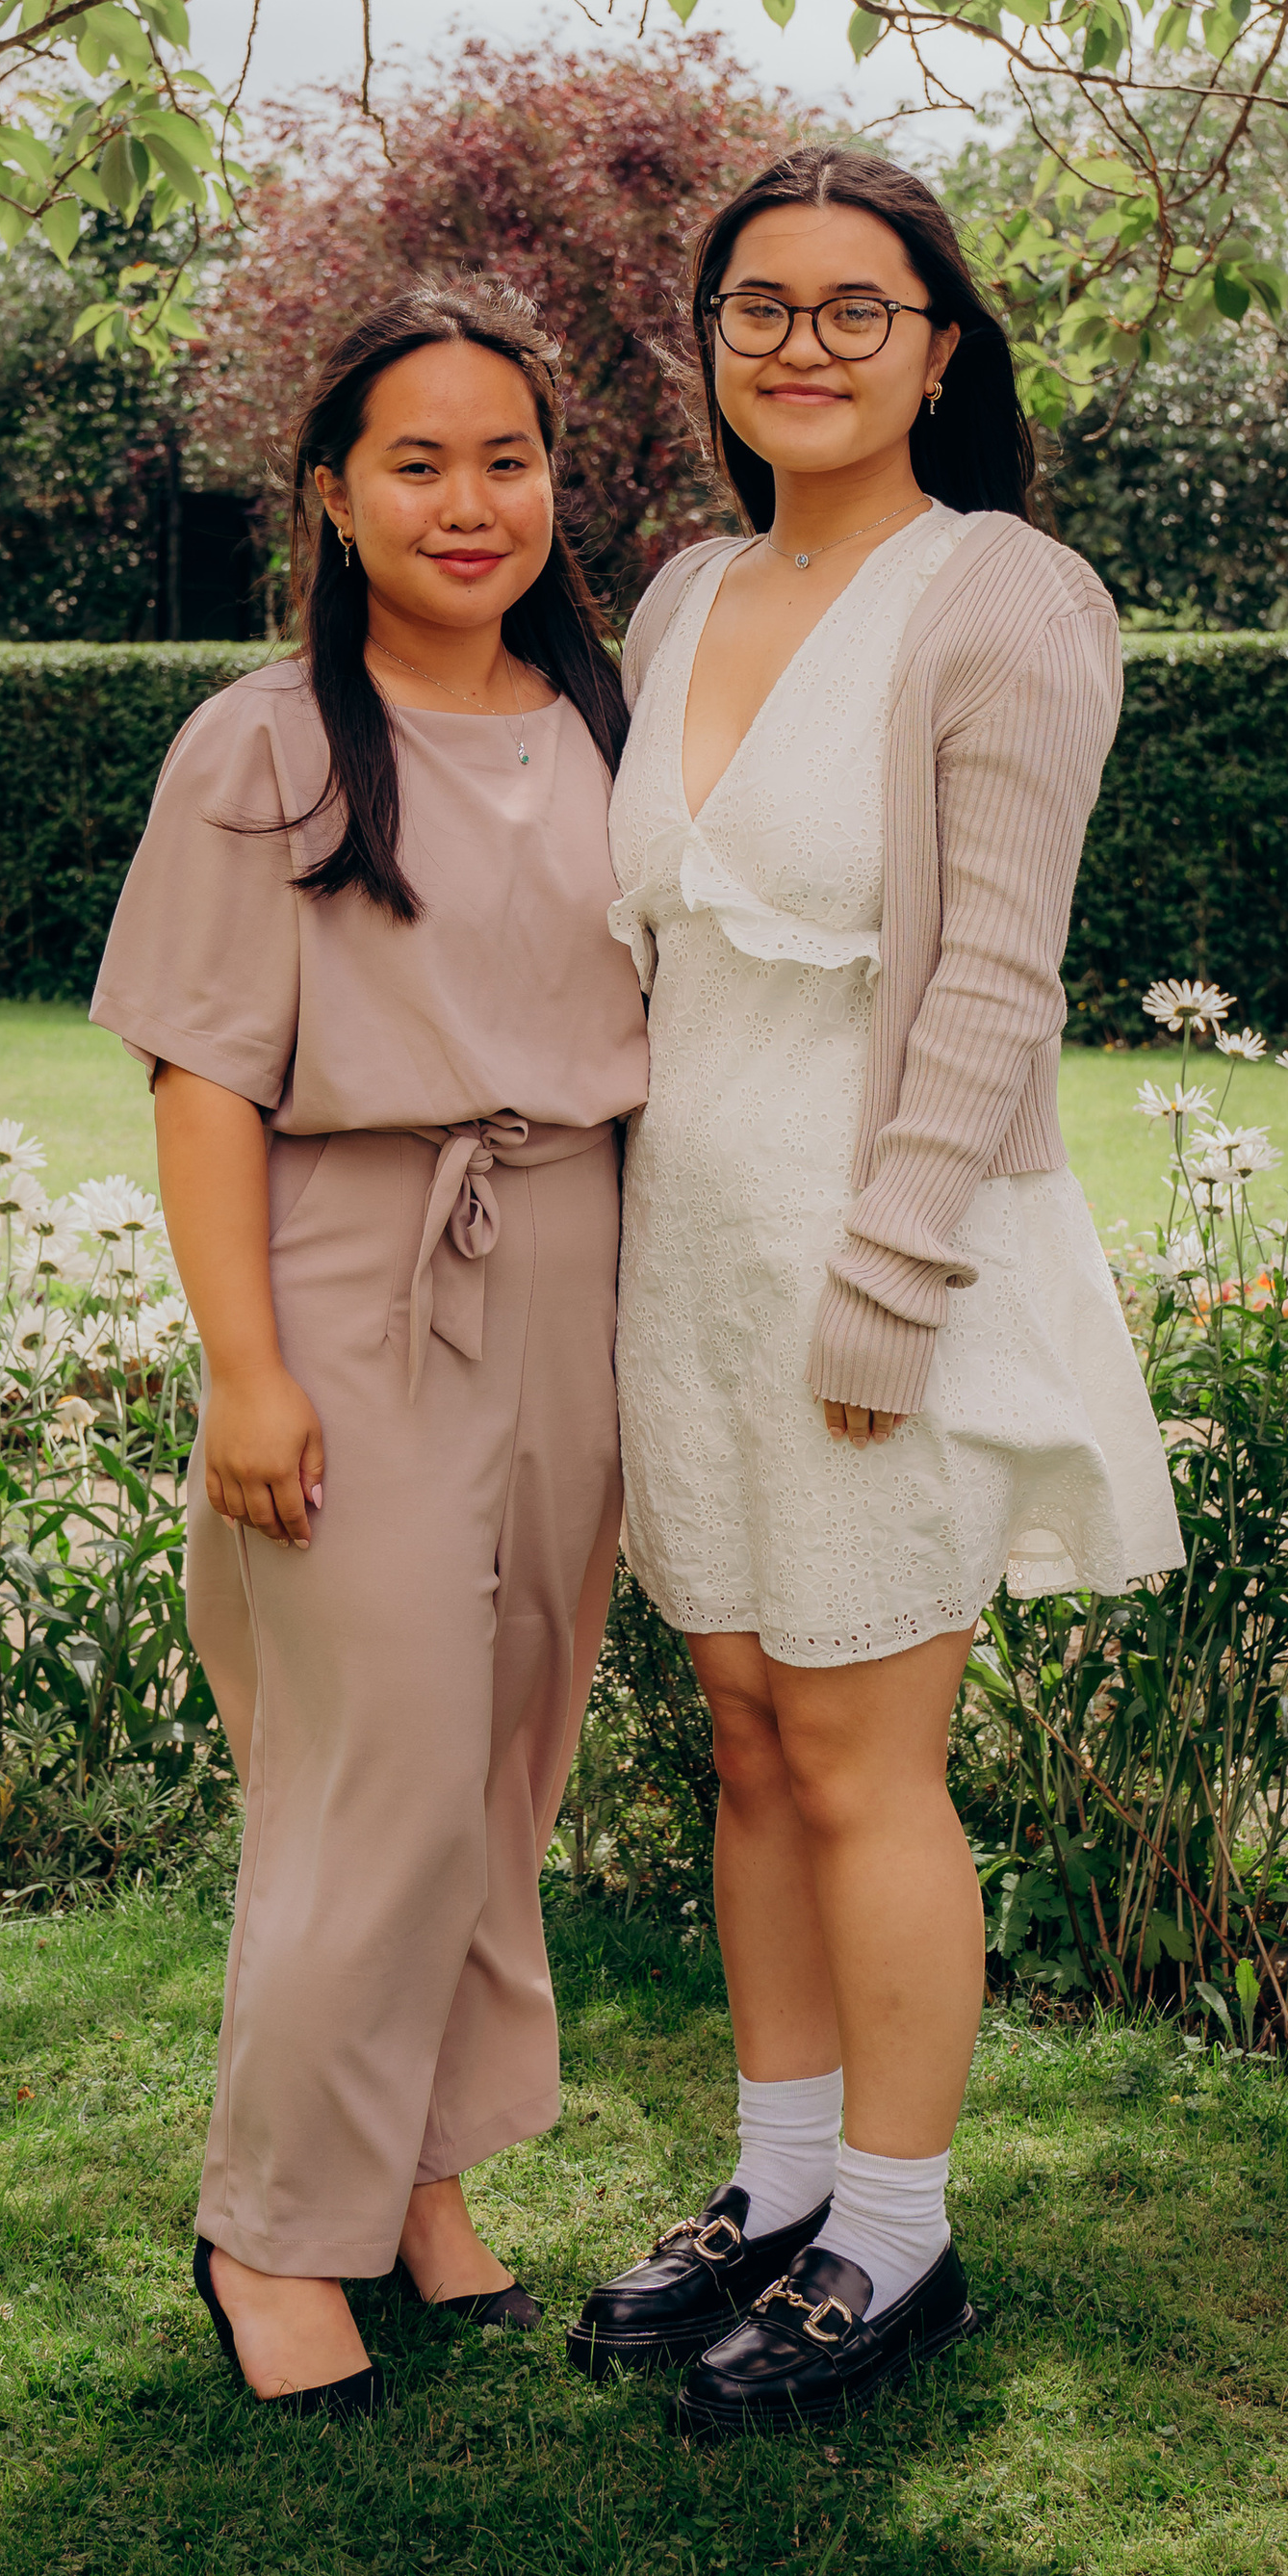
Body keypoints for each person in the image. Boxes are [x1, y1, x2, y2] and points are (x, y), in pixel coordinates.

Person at [573, 144, 1181, 2438]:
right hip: (688, 1255)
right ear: (709, 341)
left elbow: (994, 985)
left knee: (860, 1753)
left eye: (853, 306)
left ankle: (896, 2238)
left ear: (940, 345)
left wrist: (889, 1276)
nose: (799, 344)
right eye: (757, 306)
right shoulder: (672, 598)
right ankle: (778, 2180)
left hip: (881, 1256)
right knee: (742, 1731)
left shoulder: (999, 595)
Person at [91, 278, 646, 2413]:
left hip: (575, 1260)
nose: (467, 497)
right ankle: (268, 2227)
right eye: (416, 460)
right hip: (351, 1264)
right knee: (378, 1767)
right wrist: (247, 1367)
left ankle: (419, 2173)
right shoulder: (262, 742)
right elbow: (204, 1077)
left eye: (503, 454)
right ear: (331, 493)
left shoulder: (613, 724)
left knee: (502, 1761)